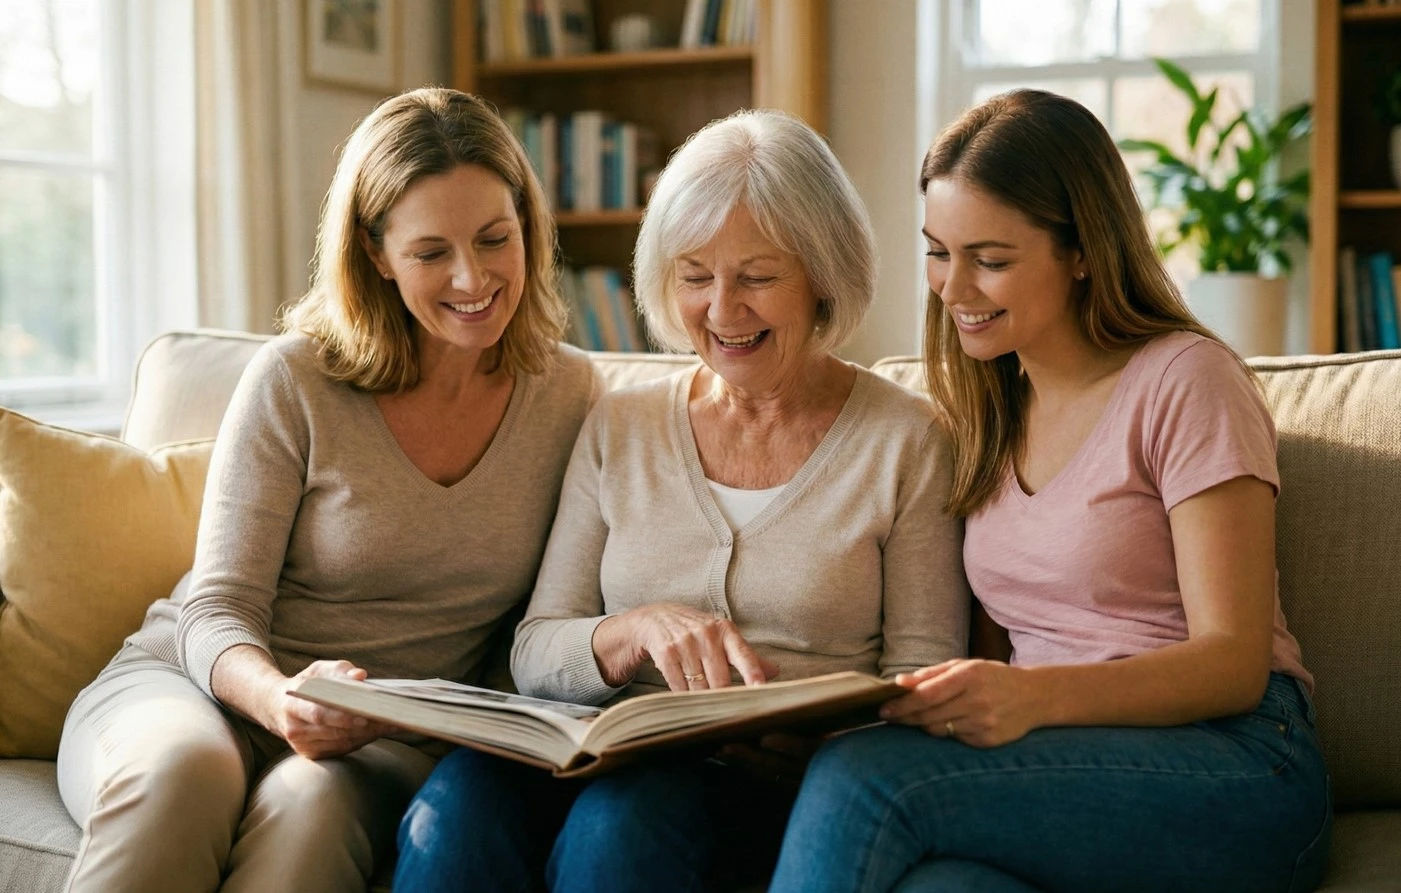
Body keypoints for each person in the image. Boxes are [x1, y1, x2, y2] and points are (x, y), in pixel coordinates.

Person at [767, 89, 1333, 893]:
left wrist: (1031, 698)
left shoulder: (1185, 380)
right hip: (1061, 765)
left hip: (1238, 759)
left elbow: (1232, 663)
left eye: (989, 259)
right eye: (937, 251)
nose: (953, 288)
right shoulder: (986, 410)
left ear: (1080, 249)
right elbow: (1001, 646)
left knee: (864, 777)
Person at [392, 109, 971, 893]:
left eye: (758, 277)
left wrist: (825, 743)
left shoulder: (905, 440)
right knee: (457, 800)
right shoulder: (619, 423)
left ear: (823, 272)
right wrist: (629, 632)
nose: (722, 310)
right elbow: (534, 652)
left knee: (627, 822)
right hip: (609, 753)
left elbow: (922, 678)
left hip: (777, 790)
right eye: (695, 275)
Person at [55, 86, 600, 893]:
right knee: (181, 774)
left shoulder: (569, 395)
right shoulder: (297, 377)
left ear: (528, 224)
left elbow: (552, 623)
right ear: (376, 253)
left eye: (495, 238)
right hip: (200, 681)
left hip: (383, 731)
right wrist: (279, 701)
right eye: (430, 252)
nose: (472, 277)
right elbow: (216, 606)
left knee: (310, 815)